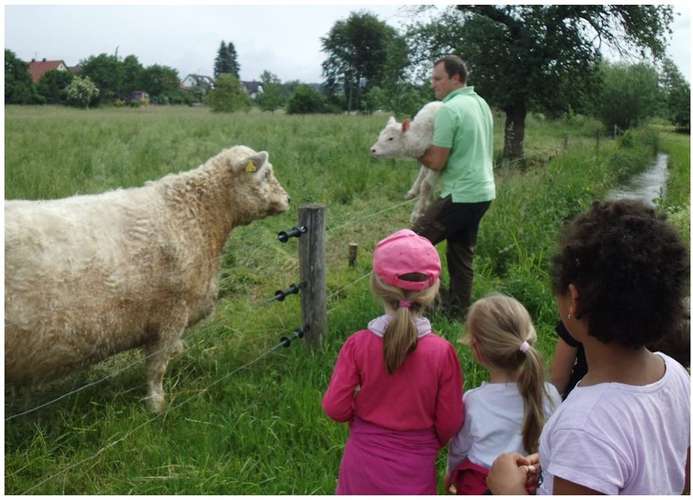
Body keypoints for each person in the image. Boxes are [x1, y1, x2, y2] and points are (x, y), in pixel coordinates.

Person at [486, 200, 690, 494]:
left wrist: (509, 491)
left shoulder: (585, 426)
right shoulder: (676, 376)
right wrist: (559, 464)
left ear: (574, 299)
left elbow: (596, 442)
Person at [322, 229, 464, 494]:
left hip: (361, 463)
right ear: (432, 289)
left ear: (377, 285)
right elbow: (450, 422)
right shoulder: (442, 353)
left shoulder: (358, 345)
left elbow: (335, 408)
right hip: (416, 466)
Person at [446, 293, 561, 494]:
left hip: (481, 487)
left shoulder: (473, 401)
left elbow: (458, 451)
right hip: (531, 485)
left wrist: (450, 476)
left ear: (477, 350)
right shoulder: (549, 394)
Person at [414, 54, 495, 318]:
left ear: (456, 78)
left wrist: (412, 149)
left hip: (461, 193)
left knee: (413, 246)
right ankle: (457, 313)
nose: (433, 84)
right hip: (483, 193)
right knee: (461, 256)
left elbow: (436, 162)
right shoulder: (480, 103)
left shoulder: (449, 109)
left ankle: (429, 305)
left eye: (438, 79)